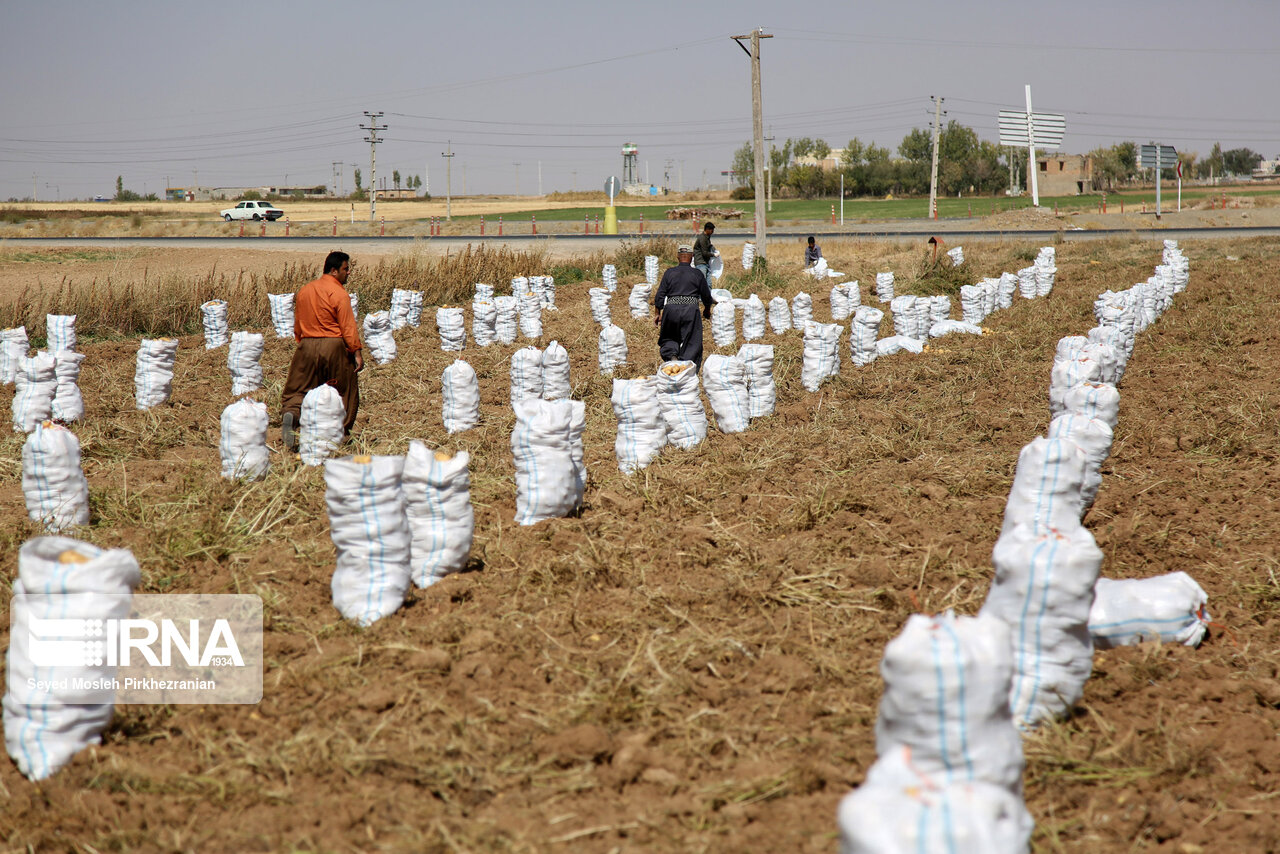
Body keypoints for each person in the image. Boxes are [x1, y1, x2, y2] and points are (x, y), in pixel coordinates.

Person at [280, 251, 363, 450]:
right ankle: (337, 435)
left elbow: (298, 323)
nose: (348, 273)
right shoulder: (339, 294)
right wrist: (357, 352)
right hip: (334, 346)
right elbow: (347, 326)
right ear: (333, 271)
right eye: (345, 269)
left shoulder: (305, 290)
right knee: (343, 391)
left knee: (299, 388)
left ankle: (292, 414)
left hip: (307, 345)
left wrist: (303, 343)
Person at [653, 244, 714, 369]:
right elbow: (706, 296)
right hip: (690, 310)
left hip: (671, 309)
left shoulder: (669, 273)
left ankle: (671, 356)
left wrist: (657, 313)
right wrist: (707, 310)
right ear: (692, 257)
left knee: (669, 336)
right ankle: (687, 367)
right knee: (692, 341)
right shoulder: (697, 274)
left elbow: (660, 295)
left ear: (677, 257)